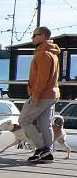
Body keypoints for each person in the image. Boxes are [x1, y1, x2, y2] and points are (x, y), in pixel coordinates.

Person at [19, 26, 61, 163]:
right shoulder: (52, 53)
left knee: (23, 120)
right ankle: (47, 154)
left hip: (43, 94)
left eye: (34, 35)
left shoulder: (43, 53)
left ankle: (41, 148)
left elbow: (42, 78)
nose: (32, 38)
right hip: (52, 94)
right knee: (45, 124)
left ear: (42, 36)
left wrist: (35, 95)